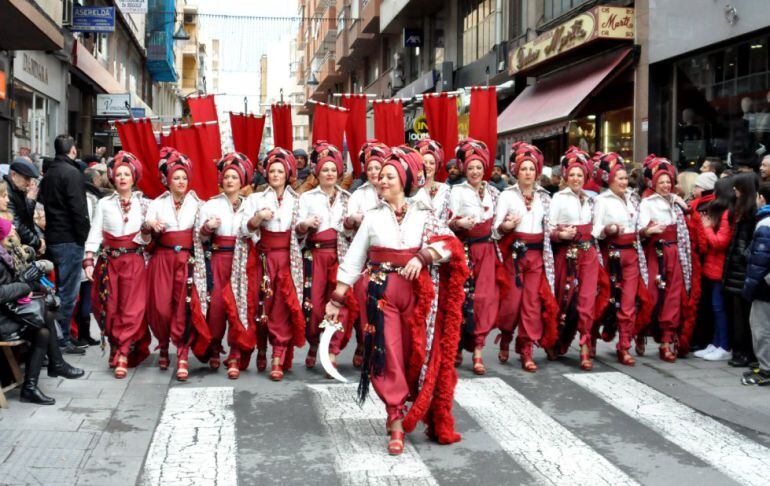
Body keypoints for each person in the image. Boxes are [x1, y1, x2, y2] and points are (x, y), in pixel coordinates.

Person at [325, 145, 467, 455]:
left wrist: (424, 255)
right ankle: (395, 417)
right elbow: (352, 259)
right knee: (386, 354)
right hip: (379, 294)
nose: (382, 181)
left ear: (404, 179)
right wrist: (336, 298)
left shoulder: (425, 214)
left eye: (390, 176)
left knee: (413, 355)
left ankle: (408, 404)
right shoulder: (373, 218)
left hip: (417, 295)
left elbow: (450, 247)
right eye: (381, 177)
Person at [143, 148, 210, 381]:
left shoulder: (199, 204)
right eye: (176, 178)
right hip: (162, 259)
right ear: (168, 181)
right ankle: (162, 344)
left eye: (183, 178)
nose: (180, 182)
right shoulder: (156, 203)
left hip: (187, 261)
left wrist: (208, 228)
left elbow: (203, 237)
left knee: (184, 308)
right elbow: (145, 235)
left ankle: (182, 354)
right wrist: (150, 224)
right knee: (160, 308)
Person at [0, 217, 84, 404]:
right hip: (2, 319)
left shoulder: (6, 254)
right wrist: (24, 284)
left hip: (7, 312)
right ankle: (55, 365)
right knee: (45, 318)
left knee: (44, 328)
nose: (14, 231)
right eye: (10, 230)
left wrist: (29, 277)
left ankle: (33, 385)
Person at [239, 147, 306, 381]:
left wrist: (305, 226)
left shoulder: (298, 200)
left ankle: (277, 356)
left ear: (288, 173)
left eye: (280, 171)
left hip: (287, 259)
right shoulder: (255, 199)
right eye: (272, 171)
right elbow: (244, 230)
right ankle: (260, 348)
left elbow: (301, 235)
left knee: (281, 307)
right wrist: (258, 218)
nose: (276, 174)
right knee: (260, 305)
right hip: (262, 259)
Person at [83, 152, 151, 378]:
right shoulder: (104, 203)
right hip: (109, 262)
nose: (122, 178)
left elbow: (149, 240)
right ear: (112, 177)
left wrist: (147, 232)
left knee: (131, 308)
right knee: (108, 308)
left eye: (127, 174)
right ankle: (115, 343)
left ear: (134, 177)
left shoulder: (144, 204)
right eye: (118, 174)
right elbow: (95, 231)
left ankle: (122, 352)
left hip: (134, 261)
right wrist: (89, 258)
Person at [493, 142, 558, 372]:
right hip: (514, 254)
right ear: (516, 172)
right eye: (523, 169)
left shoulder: (546, 198)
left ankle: (526, 347)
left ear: (537, 172)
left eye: (531, 169)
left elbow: (553, 228)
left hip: (537, 255)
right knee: (511, 303)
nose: (528, 173)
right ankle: (507, 334)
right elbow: (495, 230)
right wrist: (506, 226)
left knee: (531, 302)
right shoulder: (507, 196)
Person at [297, 142, 354, 373]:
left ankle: (331, 351)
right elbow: (297, 227)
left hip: (340, 256)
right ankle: (313, 343)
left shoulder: (347, 198)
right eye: (324, 170)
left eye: (333, 170)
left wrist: (352, 223)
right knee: (313, 305)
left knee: (340, 303)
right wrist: (306, 225)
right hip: (315, 256)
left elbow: (352, 232)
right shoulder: (307, 197)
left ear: (338, 172)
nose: (329, 174)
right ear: (317, 173)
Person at [449, 138, 504, 374]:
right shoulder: (456, 191)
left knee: (484, 299)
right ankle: (460, 346)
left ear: (485, 169)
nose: (474, 172)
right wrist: (459, 223)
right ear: (465, 169)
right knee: (462, 299)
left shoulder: (494, 192)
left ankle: (479, 350)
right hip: (465, 250)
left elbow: (499, 226)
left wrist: (506, 226)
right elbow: (447, 221)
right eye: (470, 167)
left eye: (478, 167)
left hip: (487, 250)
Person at [196, 153, 254, 378]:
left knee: (239, 307)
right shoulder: (211, 204)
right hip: (218, 260)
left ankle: (235, 353)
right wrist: (208, 228)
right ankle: (214, 345)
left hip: (241, 262)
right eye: (227, 177)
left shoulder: (250, 205)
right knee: (217, 307)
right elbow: (200, 238)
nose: (230, 181)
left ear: (242, 181)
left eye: (235, 177)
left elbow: (256, 236)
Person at [592, 153, 652, 366]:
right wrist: (608, 229)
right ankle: (592, 337)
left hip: (632, 254)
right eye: (619, 178)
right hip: (611, 255)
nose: (624, 182)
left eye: (626, 178)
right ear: (609, 179)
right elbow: (595, 230)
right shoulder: (601, 200)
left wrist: (646, 231)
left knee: (629, 302)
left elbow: (640, 227)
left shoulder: (635, 199)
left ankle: (624, 345)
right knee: (604, 300)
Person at [548, 146, 602, 370]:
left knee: (587, 301)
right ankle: (556, 339)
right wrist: (560, 234)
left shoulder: (591, 200)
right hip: (566, 254)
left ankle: (584, 347)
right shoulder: (558, 198)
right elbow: (549, 228)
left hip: (588, 254)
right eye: (572, 175)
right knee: (564, 299)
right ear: (565, 177)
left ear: (586, 176)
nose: (576, 178)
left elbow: (597, 228)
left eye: (580, 175)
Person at [638, 158, 695, 362]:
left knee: (673, 297)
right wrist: (648, 230)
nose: (665, 185)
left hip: (675, 255)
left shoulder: (677, 203)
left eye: (668, 181)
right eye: (661, 182)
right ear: (653, 183)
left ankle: (666, 342)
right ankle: (641, 331)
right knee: (652, 296)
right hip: (656, 253)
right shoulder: (647, 203)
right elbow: (641, 230)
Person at [38, 135, 90, 354]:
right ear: (73, 150)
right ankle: (62, 339)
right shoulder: (72, 173)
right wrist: (83, 236)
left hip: (54, 236)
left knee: (58, 291)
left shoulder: (49, 173)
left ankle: (58, 337)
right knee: (68, 292)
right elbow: (78, 209)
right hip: (69, 238)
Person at [343, 139, 390, 368]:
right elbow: (347, 223)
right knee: (363, 301)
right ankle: (362, 342)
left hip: (388, 258)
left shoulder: (394, 191)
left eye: (378, 168)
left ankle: (382, 347)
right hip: (364, 257)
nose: (373, 172)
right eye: (370, 168)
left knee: (385, 302)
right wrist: (354, 219)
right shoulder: (358, 195)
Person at [692, 177, 734, 361]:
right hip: (713, 266)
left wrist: (707, 228)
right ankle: (716, 343)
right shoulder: (723, 212)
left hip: (718, 267)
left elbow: (720, 242)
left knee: (719, 307)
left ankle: (723, 345)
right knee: (715, 306)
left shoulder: (725, 214)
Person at [723, 172, 759, 367]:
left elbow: (753, 241)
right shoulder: (743, 210)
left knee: (742, 315)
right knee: (738, 314)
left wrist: (742, 256)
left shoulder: (750, 212)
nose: (734, 190)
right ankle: (741, 351)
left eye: (737, 187)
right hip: (738, 270)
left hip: (741, 270)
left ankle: (743, 352)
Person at [741, 182, 770, 385]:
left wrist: (750, 287)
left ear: (762, 197)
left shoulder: (765, 223)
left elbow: (760, 261)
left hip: (765, 286)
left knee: (761, 329)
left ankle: (766, 370)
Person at [5, 157, 43, 255]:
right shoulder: (7, 192)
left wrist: (30, 201)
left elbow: (26, 219)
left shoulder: (18, 189)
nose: (29, 183)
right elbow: (16, 225)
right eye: (26, 178)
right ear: (13, 175)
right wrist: (37, 242)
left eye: (30, 179)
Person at [413, 139, 450, 220]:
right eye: (424, 162)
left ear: (436, 166)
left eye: (432, 163)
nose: (427, 166)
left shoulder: (445, 189)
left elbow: (445, 219)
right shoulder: (412, 190)